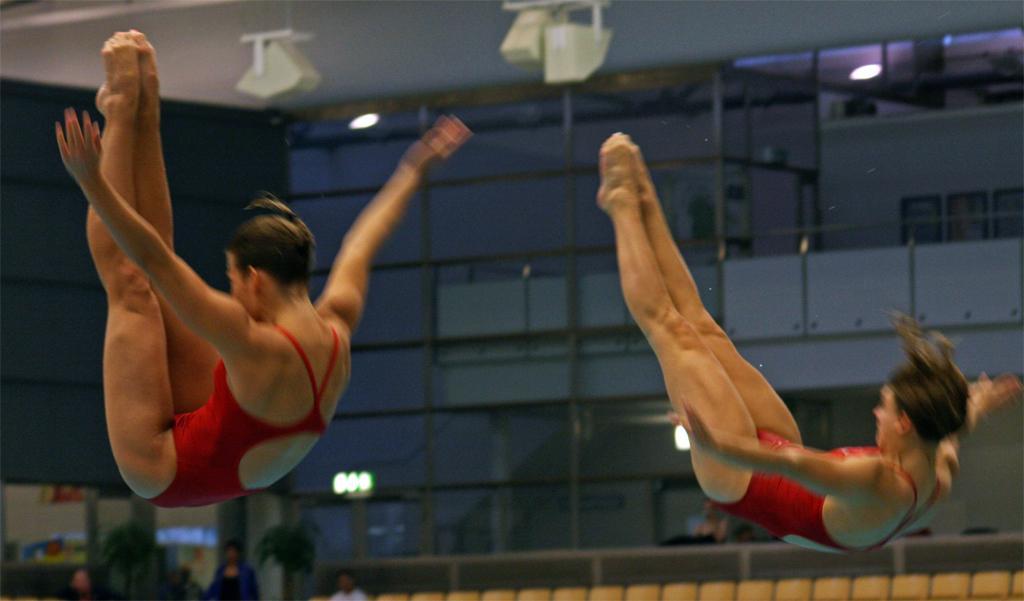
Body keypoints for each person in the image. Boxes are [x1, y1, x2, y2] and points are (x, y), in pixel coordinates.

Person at [54, 31, 471, 507]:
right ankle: (144, 105)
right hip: (227, 433)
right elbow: (362, 241)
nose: (231, 293)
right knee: (154, 280)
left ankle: (123, 112)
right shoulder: (335, 323)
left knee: (131, 285)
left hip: (167, 467)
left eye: (231, 280)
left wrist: (94, 180)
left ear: (255, 279)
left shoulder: (252, 342)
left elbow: (150, 260)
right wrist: (413, 169)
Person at [596, 132, 1022, 552]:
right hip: (779, 454)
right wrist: (977, 404)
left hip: (738, 477)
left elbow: (790, 463)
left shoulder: (877, 480)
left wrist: (715, 446)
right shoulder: (935, 472)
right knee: (706, 331)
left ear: (905, 423)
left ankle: (621, 206)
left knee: (672, 330)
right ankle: (645, 197)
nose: (876, 412)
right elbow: (949, 433)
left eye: (884, 406)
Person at [58, 568, 123, 601]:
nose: (79, 584)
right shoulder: (69, 592)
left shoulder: (100, 591)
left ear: (88, 581)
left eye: (82, 581)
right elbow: (53, 598)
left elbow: (119, 597)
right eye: (76, 581)